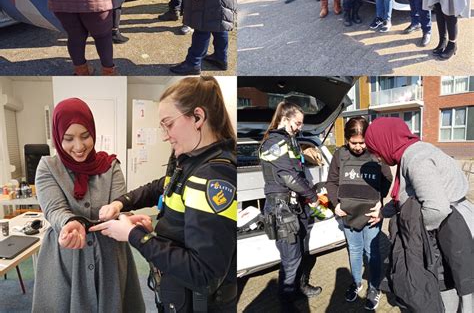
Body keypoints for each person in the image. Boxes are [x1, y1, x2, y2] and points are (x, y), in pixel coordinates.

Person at [90, 76, 237, 313]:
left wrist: (134, 235)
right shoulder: (192, 161)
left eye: (168, 124)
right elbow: (162, 186)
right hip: (177, 294)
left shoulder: (213, 176)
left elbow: (203, 273)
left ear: (197, 117)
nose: (164, 135)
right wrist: (121, 202)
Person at [32, 98, 144, 312]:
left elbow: (119, 205)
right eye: (68, 138)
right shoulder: (48, 167)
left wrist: (126, 219)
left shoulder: (110, 165)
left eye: (85, 136)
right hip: (66, 253)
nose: (79, 146)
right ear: (58, 137)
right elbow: (54, 209)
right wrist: (70, 222)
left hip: (109, 254)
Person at [365, 117, 474, 313]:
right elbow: (409, 198)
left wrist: (411, 232)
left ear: (386, 140)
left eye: (374, 152)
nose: (376, 158)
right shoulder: (412, 151)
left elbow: (436, 209)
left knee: (445, 290)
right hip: (450, 225)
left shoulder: (416, 159)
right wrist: (384, 212)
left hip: (450, 233)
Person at [259, 101, 322, 306]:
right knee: (291, 257)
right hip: (281, 208)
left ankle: (299, 287)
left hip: (295, 206)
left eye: (301, 124)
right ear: (284, 119)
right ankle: (286, 300)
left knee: (301, 250)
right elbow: (288, 176)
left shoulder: (290, 140)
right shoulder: (274, 142)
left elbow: (297, 171)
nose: (300, 127)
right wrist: (312, 196)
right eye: (297, 123)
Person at [325, 116, 392, 311]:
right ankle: (356, 283)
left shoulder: (375, 153)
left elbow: (387, 178)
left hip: (372, 215)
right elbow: (331, 182)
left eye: (362, 142)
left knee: (372, 253)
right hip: (348, 214)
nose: (358, 146)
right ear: (346, 139)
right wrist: (335, 204)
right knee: (354, 251)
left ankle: (374, 288)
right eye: (353, 142)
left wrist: (380, 202)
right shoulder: (340, 155)